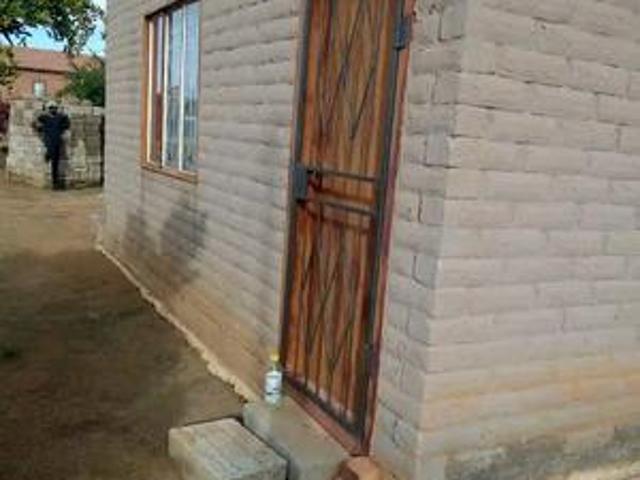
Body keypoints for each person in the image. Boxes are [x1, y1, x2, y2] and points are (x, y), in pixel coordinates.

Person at [33, 101, 70, 190]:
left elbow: (67, 124)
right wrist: (40, 129)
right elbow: (35, 122)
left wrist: (62, 129)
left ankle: (55, 183)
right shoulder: (45, 117)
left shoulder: (60, 117)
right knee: (52, 157)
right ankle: (55, 183)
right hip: (49, 140)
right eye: (51, 108)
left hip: (57, 141)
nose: (53, 110)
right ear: (48, 109)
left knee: (55, 163)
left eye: (54, 108)